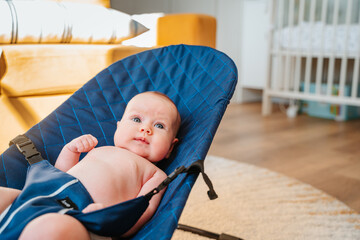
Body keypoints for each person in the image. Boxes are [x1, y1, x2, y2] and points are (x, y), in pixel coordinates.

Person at [0, 91, 181, 240]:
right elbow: (61, 173)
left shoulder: (156, 174)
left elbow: (143, 209)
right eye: (136, 120)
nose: (145, 129)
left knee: (53, 228)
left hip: (85, 218)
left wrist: (111, 217)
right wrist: (71, 151)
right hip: (42, 195)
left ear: (170, 148)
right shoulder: (100, 149)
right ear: (118, 127)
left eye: (159, 125)